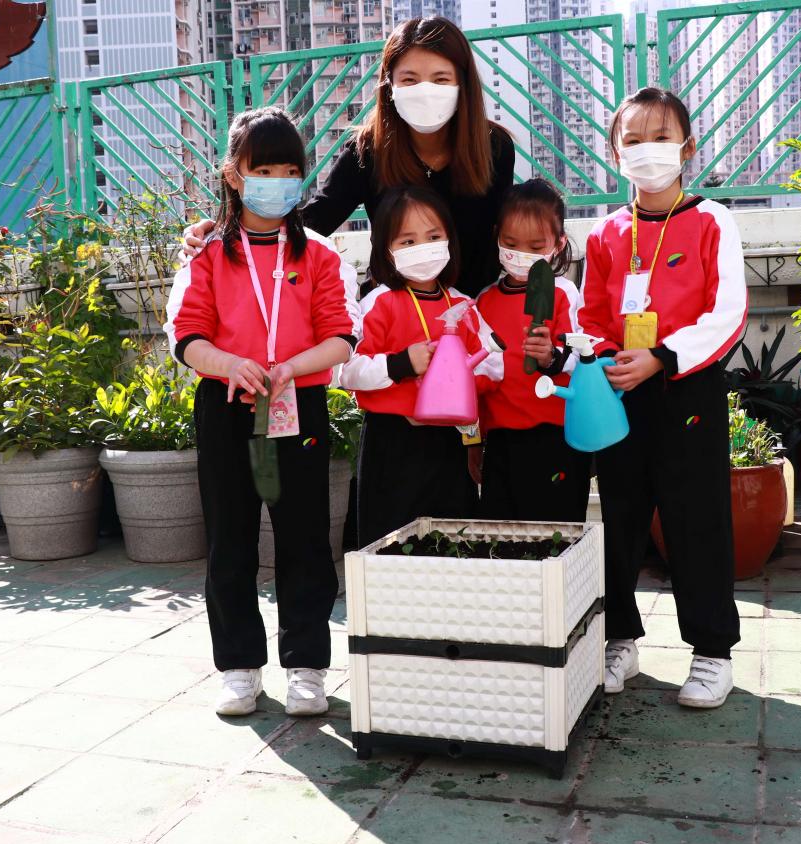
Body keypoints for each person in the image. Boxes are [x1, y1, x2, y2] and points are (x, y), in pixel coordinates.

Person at [163, 107, 360, 718]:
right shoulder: (207, 255)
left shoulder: (320, 254)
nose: (278, 181)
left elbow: (342, 336)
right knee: (230, 539)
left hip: (297, 405)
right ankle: (239, 668)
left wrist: (292, 368)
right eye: (263, 170)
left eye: (290, 170)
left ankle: (307, 667)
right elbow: (186, 337)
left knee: (305, 538)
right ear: (233, 174)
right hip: (226, 407)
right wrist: (228, 364)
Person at [579, 87, 747, 708]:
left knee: (695, 518)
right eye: (633, 140)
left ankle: (712, 651)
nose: (647, 150)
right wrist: (608, 356)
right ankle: (619, 638)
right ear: (614, 152)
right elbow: (591, 313)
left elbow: (727, 312)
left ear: (687, 147)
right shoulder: (606, 233)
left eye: (661, 137)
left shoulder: (712, 220)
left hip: (686, 388)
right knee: (619, 519)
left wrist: (662, 356)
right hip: (619, 388)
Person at [181, 16, 515, 297]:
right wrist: (224, 231)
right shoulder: (369, 150)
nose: (424, 91)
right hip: (391, 313)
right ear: (390, 86)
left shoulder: (494, 147)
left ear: (462, 84)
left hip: (474, 313)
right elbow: (315, 220)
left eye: (440, 79)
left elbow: (508, 229)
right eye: (409, 80)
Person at [340, 185, 503, 546]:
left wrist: (460, 378)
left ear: (450, 240)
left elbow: (494, 365)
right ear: (386, 249)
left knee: (452, 541)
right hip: (392, 441)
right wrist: (401, 364)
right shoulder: (379, 302)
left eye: (433, 237)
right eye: (408, 241)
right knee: (388, 545)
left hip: (448, 441)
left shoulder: (463, 304)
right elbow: (348, 371)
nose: (423, 248)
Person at [475, 178, 591, 523]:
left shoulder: (563, 293)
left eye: (536, 246)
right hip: (500, 440)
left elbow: (583, 355)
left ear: (559, 243)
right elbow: (477, 375)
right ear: (496, 236)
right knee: (503, 534)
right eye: (510, 243)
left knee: (558, 533)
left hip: (556, 435)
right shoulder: (483, 301)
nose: (521, 254)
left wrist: (551, 357)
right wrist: (473, 441)